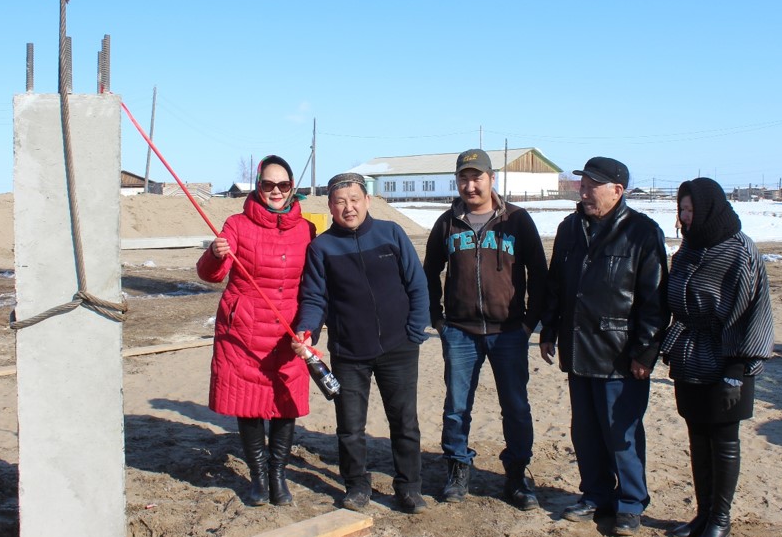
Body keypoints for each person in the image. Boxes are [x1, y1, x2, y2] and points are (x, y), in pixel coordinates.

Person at [539, 156, 669, 537]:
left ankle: (630, 502)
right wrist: (549, 330)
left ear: (617, 190)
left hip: (620, 355)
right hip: (578, 348)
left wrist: (645, 352)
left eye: (592, 185)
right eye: (582, 184)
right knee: (585, 432)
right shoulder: (569, 229)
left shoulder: (642, 233)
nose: (584, 192)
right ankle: (595, 494)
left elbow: (655, 300)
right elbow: (556, 284)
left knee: (621, 434)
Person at [293, 172, 431, 514]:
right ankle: (356, 485)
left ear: (367, 200)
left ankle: (409, 487)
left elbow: (417, 284)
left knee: (405, 422)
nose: (348, 208)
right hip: (349, 352)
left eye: (354, 200)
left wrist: (415, 330)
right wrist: (307, 330)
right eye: (340, 202)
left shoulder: (391, 233)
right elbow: (314, 298)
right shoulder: (321, 247)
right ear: (330, 207)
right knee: (350, 427)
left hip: (399, 347)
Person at [422, 148, 547, 510]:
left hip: (509, 332)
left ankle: (517, 474)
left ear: (492, 179)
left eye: (477, 177)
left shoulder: (517, 220)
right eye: (463, 178)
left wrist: (529, 323)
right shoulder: (447, 223)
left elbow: (540, 274)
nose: (470, 185)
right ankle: (458, 467)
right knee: (457, 406)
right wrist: (437, 319)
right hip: (460, 332)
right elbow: (428, 274)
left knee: (516, 406)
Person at [660, 178, 774, 537]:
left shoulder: (739, 250)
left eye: (691, 210)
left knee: (723, 440)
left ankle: (720, 520)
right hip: (690, 353)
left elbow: (751, 312)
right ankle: (703, 513)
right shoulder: (690, 247)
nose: (685, 217)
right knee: (698, 436)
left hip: (727, 360)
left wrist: (736, 371)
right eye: (682, 210)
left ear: (710, 209)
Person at [196, 155, 316, 507]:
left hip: (288, 328)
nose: (276, 191)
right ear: (258, 186)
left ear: (292, 188)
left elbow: (315, 282)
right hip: (244, 330)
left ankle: (278, 475)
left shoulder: (307, 229)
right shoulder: (236, 224)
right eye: (268, 184)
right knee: (247, 403)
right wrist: (215, 253)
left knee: (285, 402)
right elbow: (210, 274)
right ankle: (259, 477)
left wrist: (311, 325)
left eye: (283, 185)